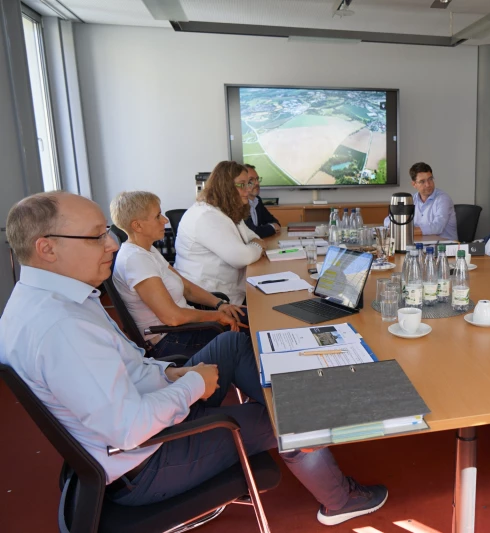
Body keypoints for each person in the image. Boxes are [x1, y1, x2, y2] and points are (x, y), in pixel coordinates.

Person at [0, 191, 388, 525]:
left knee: (234, 347)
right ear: (46, 248)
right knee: (290, 414)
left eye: (107, 232)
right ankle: (338, 498)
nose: (112, 244)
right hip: (147, 462)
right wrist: (191, 384)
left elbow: (128, 367)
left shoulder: (49, 299)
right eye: (96, 236)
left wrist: (171, 373)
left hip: (138, 422)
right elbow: (130, 428)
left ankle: (293, 405)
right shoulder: (61, 327)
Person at [110, 191, 248, 358]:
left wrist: (220, 305)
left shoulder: (148, 250)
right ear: (137, 226)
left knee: (249, 316)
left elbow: (186, 288)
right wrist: (217, 316)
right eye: (158, 216)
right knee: (248, 337)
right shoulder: (136, 260)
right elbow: (173, 317)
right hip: (170, 340)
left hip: (183, 329)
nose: (165, 220)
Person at [174, 161, 265, 305]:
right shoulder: (206, 216)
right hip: (211, 301)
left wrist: (255, 243)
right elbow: (243, 257)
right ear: (225, 187)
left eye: (249, 183)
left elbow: (252, 236)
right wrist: (258, 245)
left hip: (229, 293)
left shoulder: (227, 210)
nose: (248, 189)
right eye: (242, 184)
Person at [384, 162, 458, 241]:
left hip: (445, 247)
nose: (428, 184)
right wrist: (395, 227)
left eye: (430, 179)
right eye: (422, 181)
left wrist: (404, 230)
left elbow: (437, 227)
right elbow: (388, 219)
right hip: (421, 244)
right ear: (414, 184)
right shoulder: (412, 199)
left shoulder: (443, 199)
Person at [243, 163, 282, 238]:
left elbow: (274, 222)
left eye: (257, 179)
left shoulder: (257, 200)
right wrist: (272, 227)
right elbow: (252, 232)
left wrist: (265, 229)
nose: (257, 183)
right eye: (251, 180)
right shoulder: (239, 204)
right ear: (242, 183)